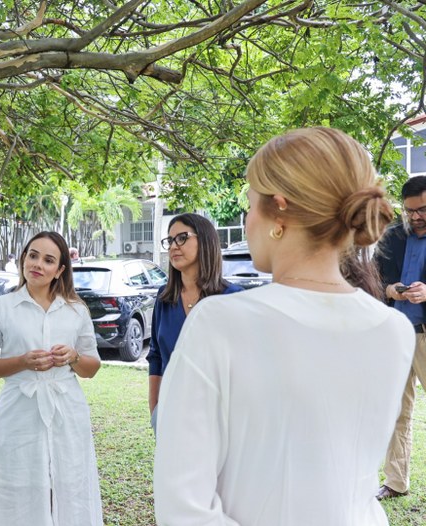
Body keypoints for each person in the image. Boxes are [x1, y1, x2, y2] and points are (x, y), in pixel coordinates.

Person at [153, 127, 415, 525]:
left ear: (278, 210)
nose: (246, 221)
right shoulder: (392, 330)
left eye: (250, 203)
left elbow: (183, 506)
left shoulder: (220, 322)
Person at [0, 231, 102, 525]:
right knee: (18, 491)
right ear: (23, 259)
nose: (37, 265)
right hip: (19, 411)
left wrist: (73, 357)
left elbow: (92, 367)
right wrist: (22, 362)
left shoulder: (75, 310)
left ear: (59, 270)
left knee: (69, 485)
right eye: (33, 256)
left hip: (67, 411)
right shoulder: (1, 308)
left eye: (48, 260)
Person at [147, 213, 242, 432]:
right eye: (169, 240)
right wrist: (155, 410)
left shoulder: (231, 297)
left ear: (205, 241)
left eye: (182, 238)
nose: (173, 246)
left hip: (219, 416)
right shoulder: (164, 298)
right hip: (171, 413)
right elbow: (156, 357)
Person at [373, 175, 426, 500]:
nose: (416, 216)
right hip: (396, 335)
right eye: (410, 211)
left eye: (422, 209)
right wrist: (391, 290)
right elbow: (375, 282)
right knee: (396, 410)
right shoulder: (391, 237)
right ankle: (395, 481)